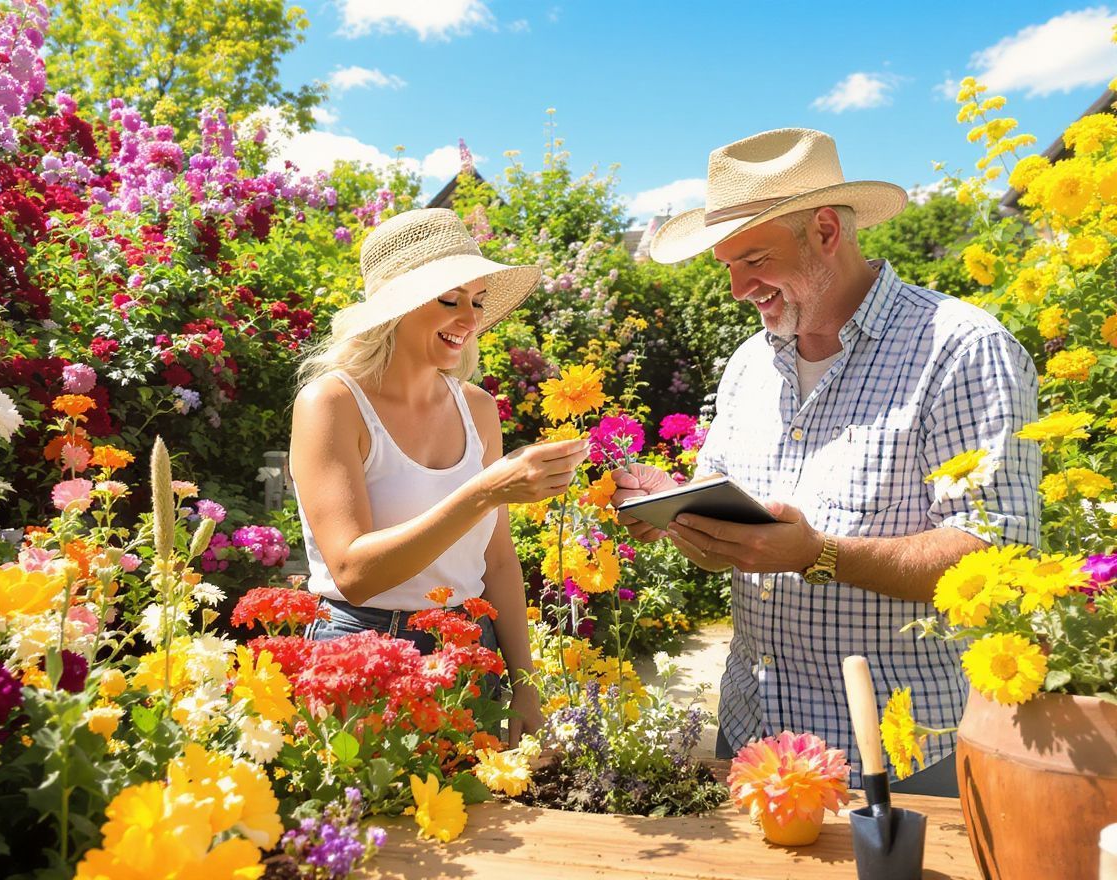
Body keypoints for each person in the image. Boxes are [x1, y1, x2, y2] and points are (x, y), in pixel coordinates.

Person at [612, 129, 1039, 795]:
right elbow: (737, 539)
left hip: (903, 759)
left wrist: (819, 553)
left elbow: (999, 559)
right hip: (752, 739)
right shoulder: (750, 363)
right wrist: (679, 512)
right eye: (726, 265)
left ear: (826, 231)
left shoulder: (961, 350)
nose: (736, 288)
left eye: (753, 259)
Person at [291, 208, 588, 745]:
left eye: (477, 301)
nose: (471, 319)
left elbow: (497, 560)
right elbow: (354, 571)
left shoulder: (477, 408)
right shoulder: (331, 404)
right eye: (450, 300)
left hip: (471, 648)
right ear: (396, 307)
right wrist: (484, 491)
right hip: (362, 650)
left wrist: (524, 680)